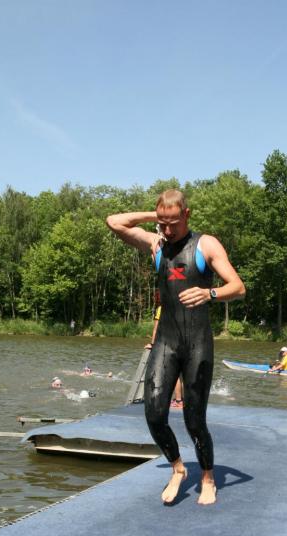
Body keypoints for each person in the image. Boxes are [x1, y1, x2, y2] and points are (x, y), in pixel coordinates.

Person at [106, 188, 245, 505]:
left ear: (187, 215)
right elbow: (114, 221)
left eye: (173, 223)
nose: (167, 230)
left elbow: (238, 287)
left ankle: (208, 477)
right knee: (154, 414)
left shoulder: (205, 245)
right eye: (163, 223)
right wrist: (153, 217)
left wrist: (209, 293)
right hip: (166, 342)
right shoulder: (156, 244)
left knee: (194, 420)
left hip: (197, 343)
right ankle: (178, 468)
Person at [146, 296, 183, 409]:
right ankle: (181, 400)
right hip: (182, 343)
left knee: (174, 373)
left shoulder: (161, 309)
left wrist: (152, 344)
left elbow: (156, 329)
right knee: (181, 374)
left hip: (170, 344)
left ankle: (178, 401)